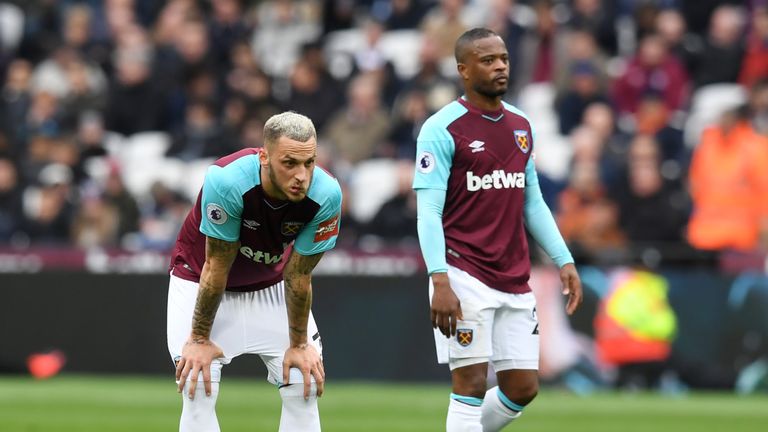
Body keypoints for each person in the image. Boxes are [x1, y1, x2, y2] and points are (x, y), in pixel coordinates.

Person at [413, 28, 583, 432]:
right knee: (470, 383)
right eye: (488, 60)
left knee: (523, 387)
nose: (500, 66)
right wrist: (439, 279)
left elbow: (532, 200)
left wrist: (564, 258)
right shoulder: (441, 129)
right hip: (463, 273)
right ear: (463, 70)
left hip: (514, 276)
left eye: (503, 58)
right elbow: (428, 211)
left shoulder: (521, 125)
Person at [167, 111, 342, 432]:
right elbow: (216, 266)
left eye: (309, 163)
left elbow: (299, 275)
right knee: (198, 385)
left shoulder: (326, 194)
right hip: (199, 278)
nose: (301, 175)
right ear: (264, 156)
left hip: (270, 283)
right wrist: (200, 338)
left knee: (304, 383)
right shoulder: (227, 180)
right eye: (289, 163)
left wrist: (300, 344)